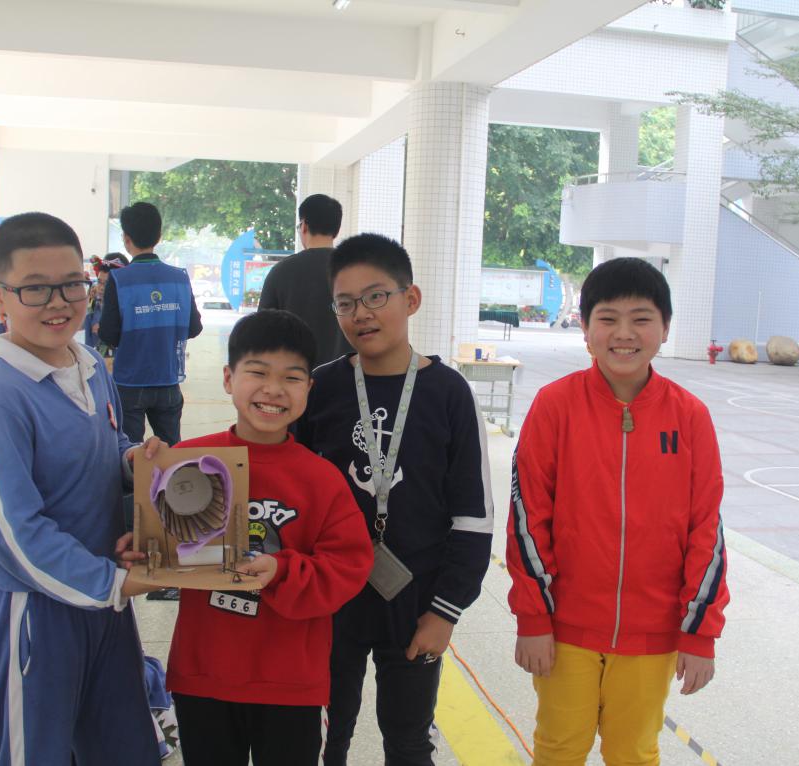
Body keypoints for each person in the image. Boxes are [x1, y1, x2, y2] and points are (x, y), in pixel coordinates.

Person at [506, 257, 729, 766]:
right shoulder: (555, 406)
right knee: (559, 748)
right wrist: (533, 617)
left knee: (634, 752)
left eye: (641, 319)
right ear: (585, 329)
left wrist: (700, 630)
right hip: (565, 627)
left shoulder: (690, 417)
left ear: (665, 328)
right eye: (607, 318)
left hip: (654, 632)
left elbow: (706, 530)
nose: (624, 334)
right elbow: (527, 519)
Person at [0, 212, 162, 765]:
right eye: (35, 288)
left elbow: (109, 444)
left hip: (104, 601)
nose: (59, 302)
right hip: (36, 612)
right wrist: (115, 583)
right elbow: (14, 536)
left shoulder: (89, 363)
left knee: (124, 747)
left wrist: (135, 462)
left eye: (72, 284)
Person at [298, 233, 493, 766]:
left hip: (415, 599)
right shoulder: (320, 389)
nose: (361, 313)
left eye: (376, 296)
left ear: (411, 299)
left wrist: (445, 612)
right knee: (324, 737)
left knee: (408, 740)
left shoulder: (449, 393)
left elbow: (474, 517)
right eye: (345, 303)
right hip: (331, 598)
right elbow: (283, 482)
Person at [165, 310, 373, 766]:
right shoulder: (187, 462)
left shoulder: (322, 479)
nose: (273, 389)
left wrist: (281, 570)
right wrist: (139, 549)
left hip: (290, 682)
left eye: (291, 378)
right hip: (204, 674)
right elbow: (159, 551)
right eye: (258, 372)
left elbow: (349, 568)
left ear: (308, 389)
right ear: (228, 378)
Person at [99, 201, 202, 445]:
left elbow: (108, 334)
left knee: (129, 451)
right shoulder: (179, 278)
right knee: (171, 450)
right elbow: (194, 327)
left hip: (129, 383)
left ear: (126, 239)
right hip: (168, 381)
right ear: (159, 236)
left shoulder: (119, 279)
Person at [258, 194, 351, 367]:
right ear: (336, 230)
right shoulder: (354, 270)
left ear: (304, 226)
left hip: (294, 375)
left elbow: (262, 332)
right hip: (346, 375)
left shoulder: (281, 271)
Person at [84, 253, 128, 353]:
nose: (101, 288)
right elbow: (86, 336)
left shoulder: (127, 308)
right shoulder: (93, 303)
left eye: (107, 283)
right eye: (99, 282)